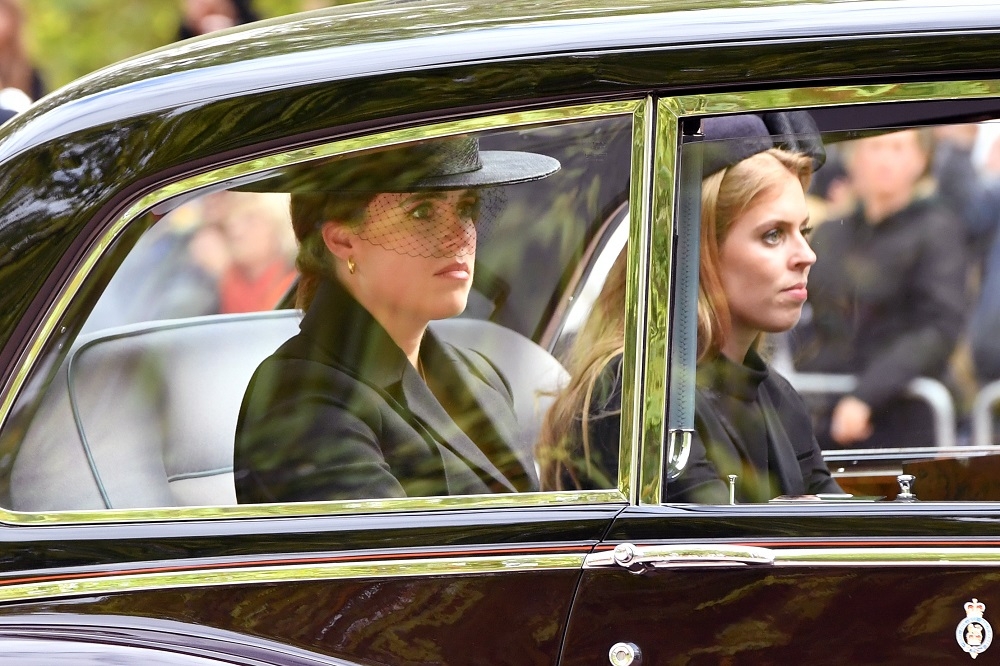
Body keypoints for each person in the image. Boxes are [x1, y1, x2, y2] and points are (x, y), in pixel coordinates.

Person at [234, 136, 560, 502]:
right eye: (422, 212)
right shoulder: (300, 403)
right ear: (342, 241)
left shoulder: (480, 374)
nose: (460, 238)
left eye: (466, 208)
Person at [538, 112, 841, 503]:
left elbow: (842, 530)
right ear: (699, 252)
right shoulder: (637, 392)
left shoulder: (777, 397)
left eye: (804, 231)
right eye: (772, 235)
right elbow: (715, 553)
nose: (807, 255)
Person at [795, 129, 966, 449]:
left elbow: (938, 329)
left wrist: (867, 395)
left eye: (898, 148)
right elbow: (806, 313)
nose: (885, 159)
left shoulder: (937, 230)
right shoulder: (832, 233)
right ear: (855, 157)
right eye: (875, 146)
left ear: (920, 160)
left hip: (906, 412)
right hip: (826, 409)